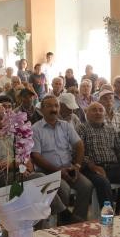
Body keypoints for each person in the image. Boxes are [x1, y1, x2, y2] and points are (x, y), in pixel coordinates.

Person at [31, 95, 93, 223]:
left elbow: (79, 144)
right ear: (42, 110)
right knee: (64, 189)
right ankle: (62, 223)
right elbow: (36, 156)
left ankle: (76, 222)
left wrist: (77, 166)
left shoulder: (65, 125)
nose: (54, 109)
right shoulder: (35, 129)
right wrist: (58, 171)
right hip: (48, 171)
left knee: (86, 186)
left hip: (69, 168)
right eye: (49, 106)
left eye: (56, 106)